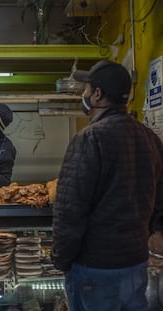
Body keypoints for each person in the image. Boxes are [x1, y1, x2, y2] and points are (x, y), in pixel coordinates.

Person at [51, 60, 163, 310]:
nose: (84, 94)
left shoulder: (89, 138)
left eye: (86, 89)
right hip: (136, 264)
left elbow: (70, 209)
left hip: (95, 268)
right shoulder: (150, 138)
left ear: (97, 95)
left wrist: (61, 260)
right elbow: (160, 199)